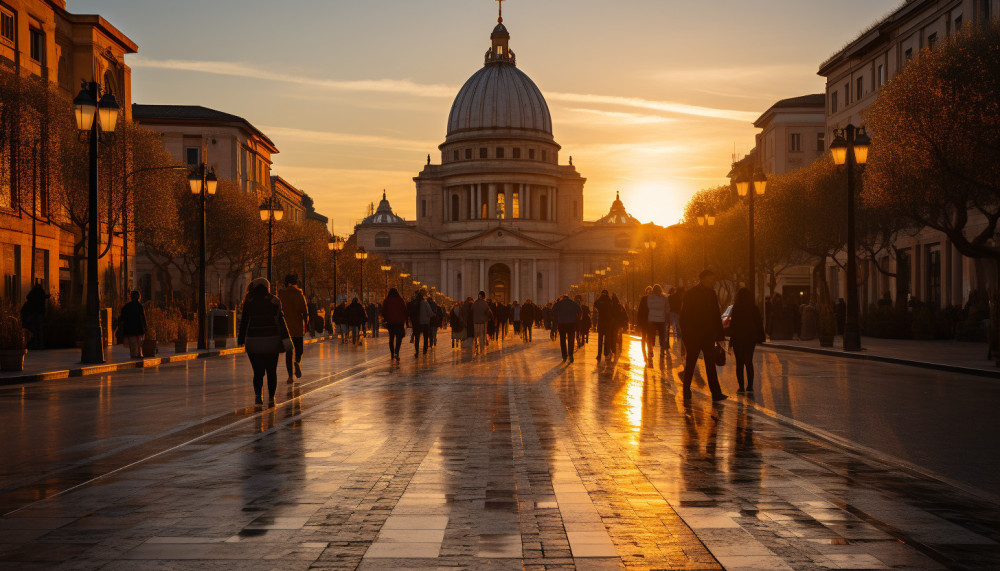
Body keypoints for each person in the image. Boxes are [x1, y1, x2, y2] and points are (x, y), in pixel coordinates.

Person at [238, 277, 292, 407]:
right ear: (267, 287)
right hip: (271, 341)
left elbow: (244, 322)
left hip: (253, 342)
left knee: (258, 372)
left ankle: (258, 396)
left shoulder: (248, 301)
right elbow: (281, 321)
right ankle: (272, 398)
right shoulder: (275, 301)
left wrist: (240, 339)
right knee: (271, 371)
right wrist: (286, 339)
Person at [679, 270, 728, 402]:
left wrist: (720, 335)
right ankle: (686, 390)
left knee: (710, 365)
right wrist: (686, 335)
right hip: (694, 335)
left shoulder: (712, 294)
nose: (713, 283)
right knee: (691, 364)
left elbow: (716, 315)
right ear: (703, 279)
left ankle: (716, 393)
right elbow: (684, 316)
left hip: (708, 335)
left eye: (714, 280)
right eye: (711, 280)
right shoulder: (691, 294)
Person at [726, 287, 765, 393]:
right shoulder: (754, 308)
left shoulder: (736, 307)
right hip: (750, 337)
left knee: (739, 363)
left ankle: (741, 387)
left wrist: (731, 338)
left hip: (738, 337)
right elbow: (758, 323)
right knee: (748, 361)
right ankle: (750, 386)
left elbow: (733, 324)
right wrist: (761, 336)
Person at [277, 274, 308, 383]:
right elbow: (305, 311)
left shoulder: (280, 295)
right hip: (297, 328)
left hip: (285, 329)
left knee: (288, 352)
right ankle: (297, 362)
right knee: (299, 350)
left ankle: (290, 376)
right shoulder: (299, 295)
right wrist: (306, 323)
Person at [381, 288, 407, 361]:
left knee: (391, 338)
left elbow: (383, 311)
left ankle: (392, 353)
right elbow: (404, 310)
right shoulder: (401, 300)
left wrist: (385, 318)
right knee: (399, 338)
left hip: (390, 322)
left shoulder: (386, 300)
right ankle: (396, 351)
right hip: (399, 322)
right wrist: (404, 319)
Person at [119, 290, 147, 359]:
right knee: (138, 342)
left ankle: (134, 354)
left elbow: (122, 319)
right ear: (138, 297)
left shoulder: (126, 307)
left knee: (132, 342)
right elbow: (143, 317)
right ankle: (138, 354)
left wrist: (122, 329)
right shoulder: (139, 306)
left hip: (129, 328)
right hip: (138, 328)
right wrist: (145, 327)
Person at [553, 294, 581, 362]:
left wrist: (557, 301)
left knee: (562, 340)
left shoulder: (559, 303)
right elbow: (579, 312)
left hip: (562, 324)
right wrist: (576, 319)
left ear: (562, 298)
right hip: (571, 324)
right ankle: (571, 355)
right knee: (571, 340)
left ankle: (564, 356)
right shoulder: (573, 303)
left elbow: (553, 311)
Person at [646, 284, 670, 362]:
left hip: (652, 319)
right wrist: (667, 318)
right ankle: (662, 351)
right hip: (661, 320)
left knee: (651, 337)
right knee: (662, 336)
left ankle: (650, 351)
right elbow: (667, 309)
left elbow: (648, 308)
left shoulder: (650, 298)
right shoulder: (664, 298)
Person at [21, 284, 49, 350]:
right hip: (38, 315)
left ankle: (34, 344)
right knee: (39, 330)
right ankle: (40, 345)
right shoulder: (41, 295)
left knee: (33, 330)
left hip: (32, 315)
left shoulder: (31, 296)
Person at [594, 290, 615, 362]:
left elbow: (595, 304)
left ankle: (599, 355)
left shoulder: (600, 301)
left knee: (600, 340)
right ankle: (606, 353)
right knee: (607, 339)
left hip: (601, 322)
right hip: (608, 323)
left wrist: (599, 297)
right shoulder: (609, 301)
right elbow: (612, 307)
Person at [411, 288, 432, 357]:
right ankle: (424, 350)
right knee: (425, 337)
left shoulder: (414, 302)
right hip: (425, 323)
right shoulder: (425, 303)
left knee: (417, 338)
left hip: (416, 323)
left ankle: (417, 351)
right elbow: (430, 312)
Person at [636, 286, 651, 363]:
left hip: (645, 322)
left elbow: (639, 311)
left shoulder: (643, 299)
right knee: (647, 337)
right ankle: (648, 352)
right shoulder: (652, 300)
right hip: (648, 322)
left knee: (644, 338)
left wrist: (638, 322)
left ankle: (645, 353)